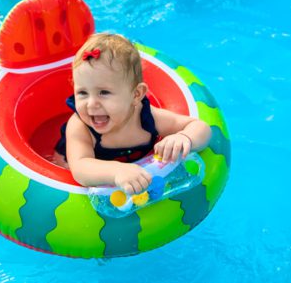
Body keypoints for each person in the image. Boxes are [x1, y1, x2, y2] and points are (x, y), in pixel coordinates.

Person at [54, 33, 212, 194]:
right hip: (73, 162)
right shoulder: (80, 126)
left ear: (136, 94)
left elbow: (199, 127)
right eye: (82, 93)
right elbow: (80, 168)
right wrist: (117, 171)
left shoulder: (145, 117)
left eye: (104, 92)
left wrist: (184, 138)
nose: (91, 103)